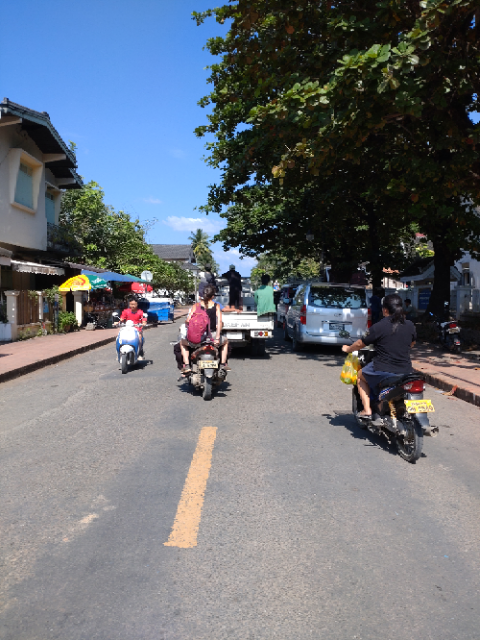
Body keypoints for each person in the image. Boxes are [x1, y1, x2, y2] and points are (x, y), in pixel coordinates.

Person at [342, 293, 416, 419]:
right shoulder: (410, 325)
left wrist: (348, 349)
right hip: (406, 370)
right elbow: (412, 344)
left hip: (382, 368)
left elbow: (360, 343)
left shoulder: (379, 326)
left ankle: (367, 410)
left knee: (360, 376)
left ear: (385, 310)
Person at [179, 284, 230, 374]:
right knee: (225, 342)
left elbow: (188, 321)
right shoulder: (216, 306)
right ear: (213, 296)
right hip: (212, 336)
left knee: (182, 343)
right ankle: (223, 364)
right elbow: (219, 322)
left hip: (197, 338)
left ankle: (187, 365)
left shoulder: (196, 306)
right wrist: (217, 338)